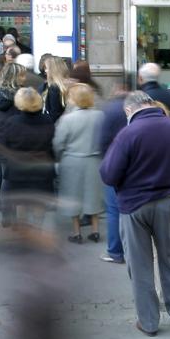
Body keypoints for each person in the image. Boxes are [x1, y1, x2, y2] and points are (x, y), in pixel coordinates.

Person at [100, 92, 170, 336]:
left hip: (134, 206)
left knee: (140, 266)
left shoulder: (127, 134)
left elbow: (109, 175)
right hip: (169, 201)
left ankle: (149, 322)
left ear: (130, 110)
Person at [0, 87, 57, 228]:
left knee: (21, 201)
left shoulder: (12, 122)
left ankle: (24, 232)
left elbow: (3, 146)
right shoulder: (48, 121)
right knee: (39, 202)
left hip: (18, 170)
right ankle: (37, 228)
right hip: (42, 170)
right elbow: (52, 144)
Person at [53, 83, 105, 243]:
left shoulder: (67, 119)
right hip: (94, 160)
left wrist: (58, 157)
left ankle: (76, 233)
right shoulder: (101, 116)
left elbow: (58, 143)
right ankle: (95, 230)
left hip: (72, 161)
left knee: (73, 196)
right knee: (93, 195)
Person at [96, 81, 132, 265]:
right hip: (134, 166)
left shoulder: (108, 109)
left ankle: (115, 251)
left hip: (113, 163)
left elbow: (102, 140)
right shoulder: (134, 108)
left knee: (113, 209)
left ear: (116, 89)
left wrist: (105, 162)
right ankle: (131, 249)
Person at [0, 62, 29, 213]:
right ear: (15, 76)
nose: (25, 77)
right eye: (22, 74)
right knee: (14, 175)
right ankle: (15, 207)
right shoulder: (21, 94)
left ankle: (2, 203)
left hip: (0, 135)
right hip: (17, 138)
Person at [42, 56, 70, 122]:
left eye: (47, 68)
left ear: (53, 70)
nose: (45, 71)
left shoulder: (53, 88)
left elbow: (54, 113)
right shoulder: (67, 85)